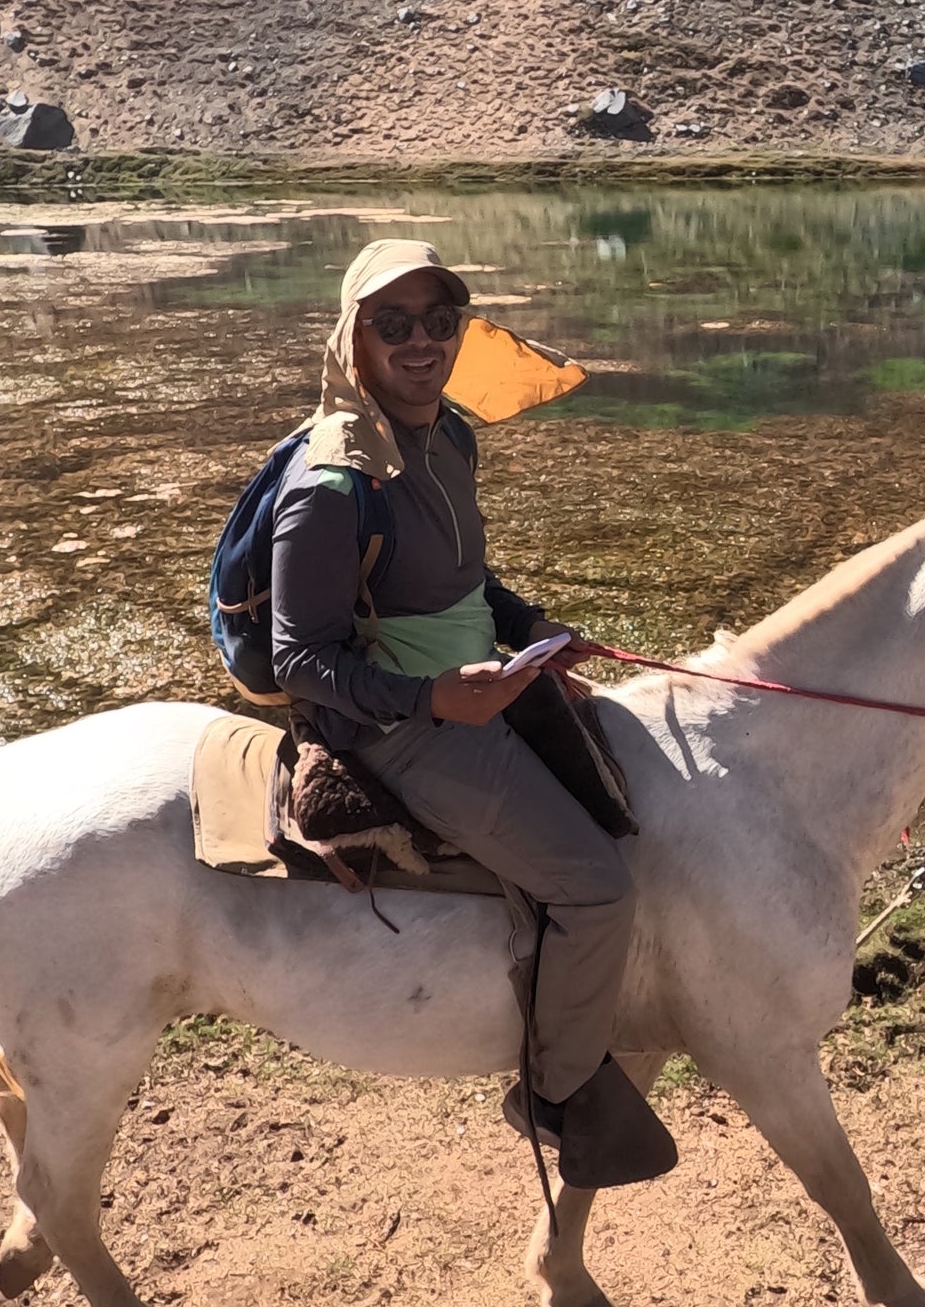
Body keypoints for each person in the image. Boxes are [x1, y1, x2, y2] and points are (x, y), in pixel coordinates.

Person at [268, 238, 675, 1188]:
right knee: (594, 887)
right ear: (353, 337)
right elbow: (301, 658)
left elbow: (465, 580)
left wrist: (533, 625)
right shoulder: (331, 485)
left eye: (439, 321)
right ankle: (555, 1088)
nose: (421, 342)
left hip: (476, 682)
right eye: (393, 323)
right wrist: (430, 698)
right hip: (400, 728)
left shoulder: (448, 434)